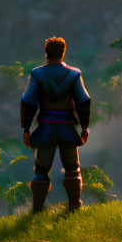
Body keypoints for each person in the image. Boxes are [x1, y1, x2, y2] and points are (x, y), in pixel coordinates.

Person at [20, 36, 91, 213]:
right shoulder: (74, 75)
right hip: (67, 128)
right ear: (63, 52)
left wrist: (26, 129)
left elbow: (27, 102)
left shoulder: (37, 74)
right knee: (73, 169)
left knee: (41, 170)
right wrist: (84, 128)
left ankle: (37, 209)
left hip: (46, 129)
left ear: (46, 53)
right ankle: (74, 206)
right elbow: (84, 101)